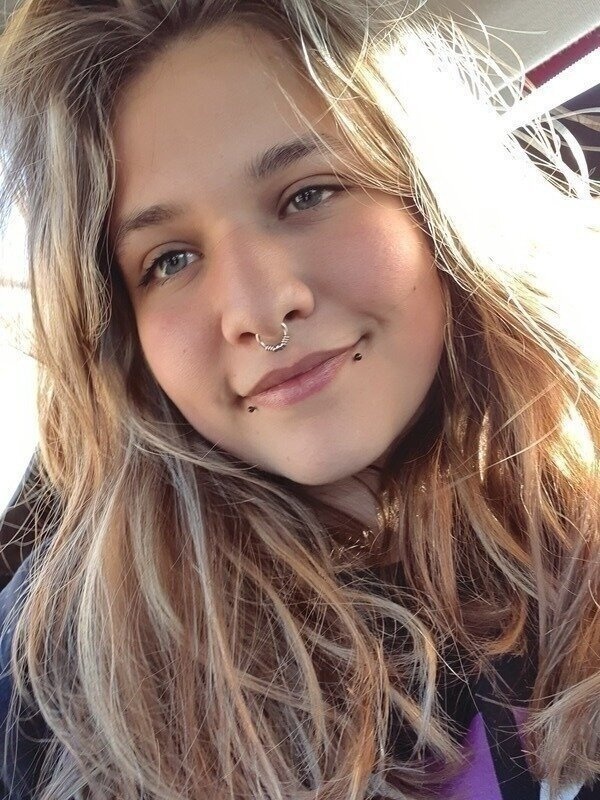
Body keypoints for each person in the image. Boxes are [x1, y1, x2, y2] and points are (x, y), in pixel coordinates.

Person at [0, 0, 598, 798]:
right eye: (170, 260)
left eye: (308, 194)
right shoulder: (59, 689)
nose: (259, 308)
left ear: (429, 200)